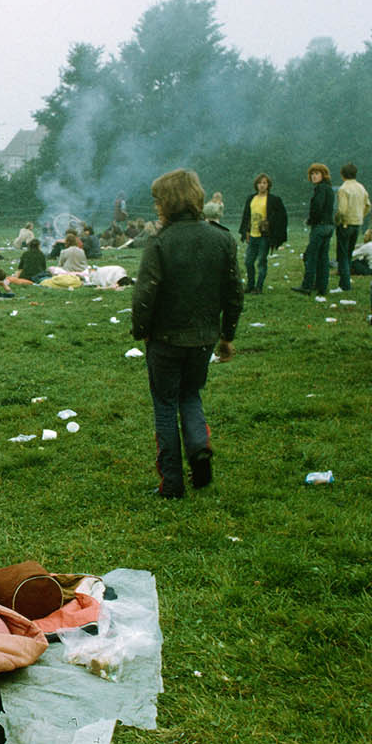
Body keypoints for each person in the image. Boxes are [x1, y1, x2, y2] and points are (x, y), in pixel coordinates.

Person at [131, 168, 243, 499]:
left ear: (169, 201)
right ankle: (198, 447)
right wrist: (227, 335)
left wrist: (141, 331)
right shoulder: (222, 238)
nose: (155, 207)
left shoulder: (160, 242)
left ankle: (172, 483)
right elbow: (234, 293)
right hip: (204, 338)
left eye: (157, 200)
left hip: (165, 339)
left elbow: (144, 295)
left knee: (165, 405)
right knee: (191, 395)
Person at [238, 173, 288, 294]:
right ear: (256, 185)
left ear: (268, 185)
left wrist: (272, 225)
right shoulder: (251, 198)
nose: (261, 185)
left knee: (261, 262)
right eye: (259, 183)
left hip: (265, 236)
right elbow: (246, 216)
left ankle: (258, 287)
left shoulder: (273, 199)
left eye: (264, 183)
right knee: (248, 261)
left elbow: (282, 216)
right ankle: (250, 285)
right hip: (253, 235)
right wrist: (246, 231)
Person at [293, 163, 334, 297]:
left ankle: (307, 286)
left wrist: (311, 220)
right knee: (323, 257)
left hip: (320, 226)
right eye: (312, 174)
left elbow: (318, 207)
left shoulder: (320, 189)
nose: (314, 176)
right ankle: (322, 287)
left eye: (317, 173)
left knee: (311, 256)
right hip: (329, 225)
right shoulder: (329, 188)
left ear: (323, 175)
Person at [334, 163, 371, 293]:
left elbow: (342, 210)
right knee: (349, 254)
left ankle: (344, 285)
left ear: (342, 175)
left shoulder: (343, 189)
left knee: (342, 255)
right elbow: (368, 205)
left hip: (345, 224)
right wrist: (360, 216)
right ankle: (346, 279)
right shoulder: (361, 187)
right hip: (357, 224)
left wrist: (337, 220)